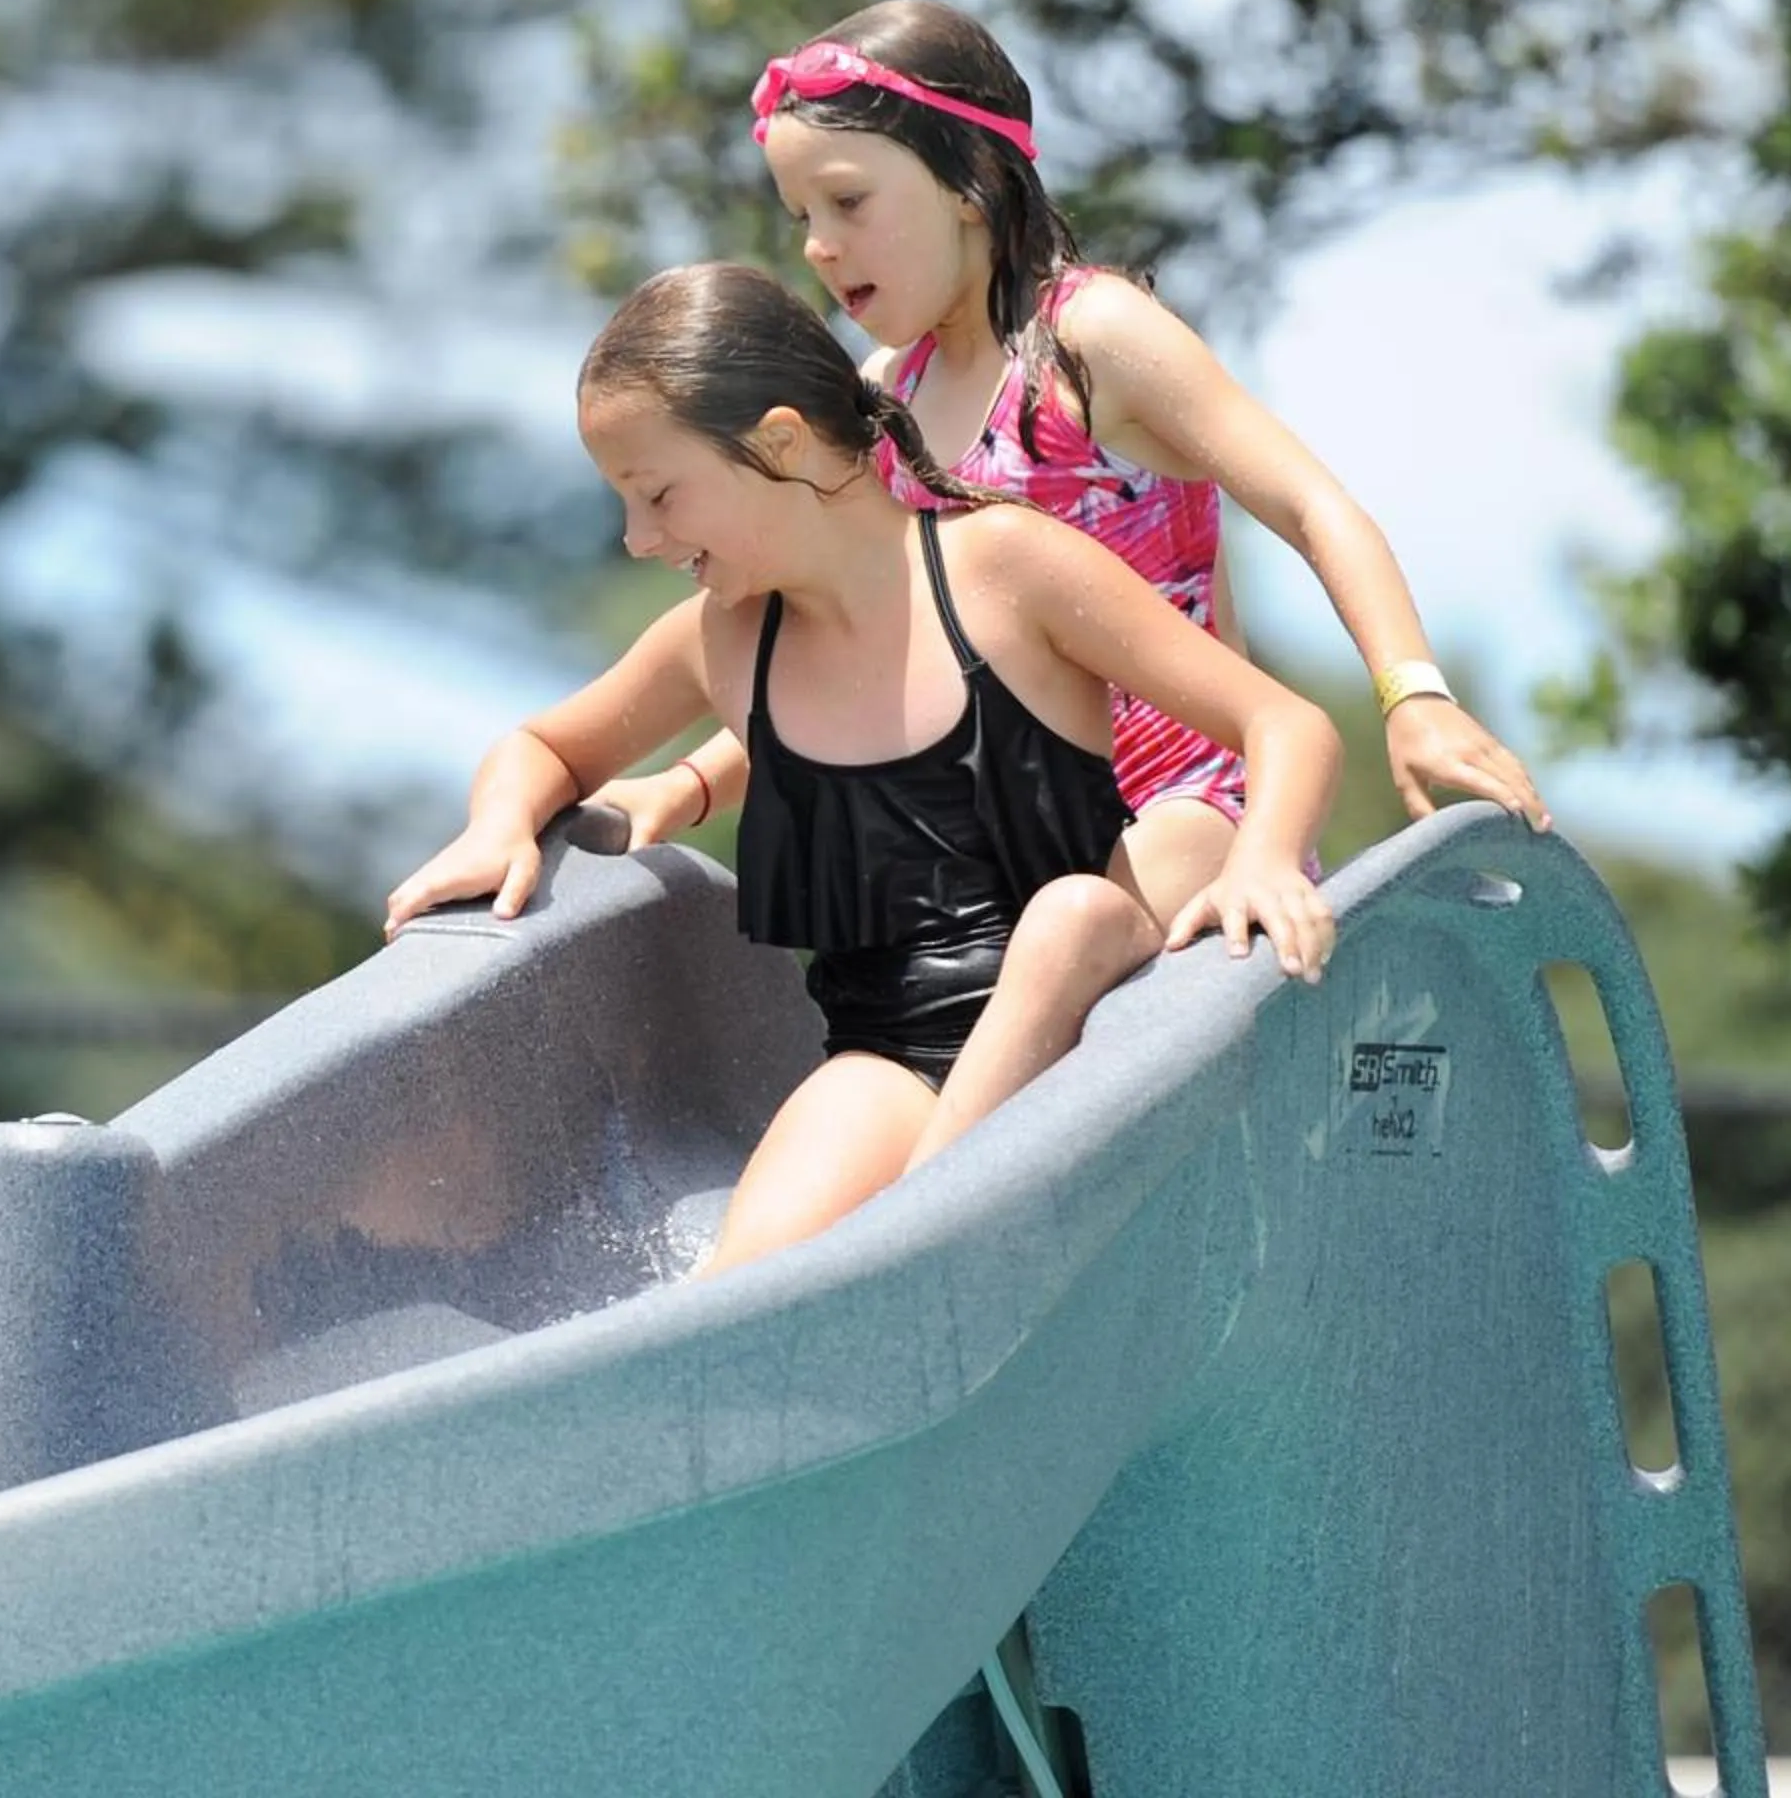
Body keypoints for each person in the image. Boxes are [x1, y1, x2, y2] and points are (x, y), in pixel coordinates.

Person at [383, 264, 1341, 1275]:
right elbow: (544, 746)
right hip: (893, 1059)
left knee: (1069, 919)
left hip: (1091, 1019)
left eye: (659, 493)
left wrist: (1267, 858)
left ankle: (921, 1235)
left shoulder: (1006, 568)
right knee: (733, 1299)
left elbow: (1282, 721)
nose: (640, 538)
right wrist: (499, 825)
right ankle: (921, 1229)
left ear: (780, 442)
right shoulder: (723, 643)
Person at [592, 0, 1545, 930]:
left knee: (1051, 960)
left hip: (1194, 810)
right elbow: (863, 658)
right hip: (1029, 840)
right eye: (801, 212)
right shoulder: (887, 397)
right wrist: (683, 787)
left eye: (848, 200)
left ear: (968, 180)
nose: (818, 245)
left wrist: (1413, 696)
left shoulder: (1091, 339)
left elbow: (1311, 505)